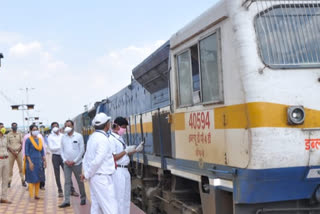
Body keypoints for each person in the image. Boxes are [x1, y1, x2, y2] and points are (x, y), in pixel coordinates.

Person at [81, 113, 120, 214]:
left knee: (96, 207)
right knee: (111, 208)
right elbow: (97, 160)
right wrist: (87, 174)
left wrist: (87, 173)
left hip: (95, 177)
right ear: (107, 124)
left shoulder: (92, 137)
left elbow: (86, 158)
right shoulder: (102, 139)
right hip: (102, 178)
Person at [109, 116, 143, 214]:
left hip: (125, 170)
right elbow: (113, 157)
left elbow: (125, 154)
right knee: (119, 199)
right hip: (118, 171)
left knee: (126, 199)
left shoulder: (120, 138)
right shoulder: (111, 139)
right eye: (123, 127)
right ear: (116, 126)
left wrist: (136, 150)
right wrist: (125, 150)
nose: (125, 129)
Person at [59, 120, 86, 208]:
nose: (67, 127)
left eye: (69, 126)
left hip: (77, 163)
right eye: (66, 126)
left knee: (80, 181)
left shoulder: (78, 136)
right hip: (66, 163)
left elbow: (82, 150)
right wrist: (65, 160)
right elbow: (61, 150)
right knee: (67, 182)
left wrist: (74, 160)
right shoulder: (63, 137)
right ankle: (66, 201)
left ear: (73, 126)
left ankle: (83, 198)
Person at [48, 122, 78, 198]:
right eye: (53, 127)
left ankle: (72, 190)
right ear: (51, 128)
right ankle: (60, 190)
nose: (55, 128)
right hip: (55, 157)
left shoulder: (63, 136)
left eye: (56, 126)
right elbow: (51, 148)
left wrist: (60, 147)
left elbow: (67, 145)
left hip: (63, 156)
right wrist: (61, 147)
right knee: (57, 174)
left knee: (67, 173)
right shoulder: (50, 137)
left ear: (59, 127)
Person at [24, 124, 46, 200]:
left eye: (36, 129)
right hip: (31, 161)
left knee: (38, 178)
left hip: (39, 161)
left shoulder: (39, 139)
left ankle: (36, 195)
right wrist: (30, 162)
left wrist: (45, 161)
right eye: (33, 129)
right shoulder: (28, 140)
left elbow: (42, 151)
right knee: (31, 178)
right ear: (30, 131)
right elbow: (26, 152)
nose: (35, 131)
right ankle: (31, 196)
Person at [7, 122, 26, 188]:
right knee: (10, 168)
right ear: (11, 127)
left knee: (21, 167)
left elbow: (22, 143)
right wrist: (13, 152)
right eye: (13, 126)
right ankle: (9, 182)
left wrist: (18, 151)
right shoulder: (8, 135)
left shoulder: (19, 134)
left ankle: (23, 181)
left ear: (17, 126)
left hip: (19, 153)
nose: (14, 127)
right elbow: (7, 145)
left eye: (15, 126)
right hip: (11, 153)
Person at [0, 128, 11, 204]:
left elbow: (8, 147)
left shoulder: (5, 137)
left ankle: (4, 197)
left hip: (6, 159)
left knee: (5, 179)